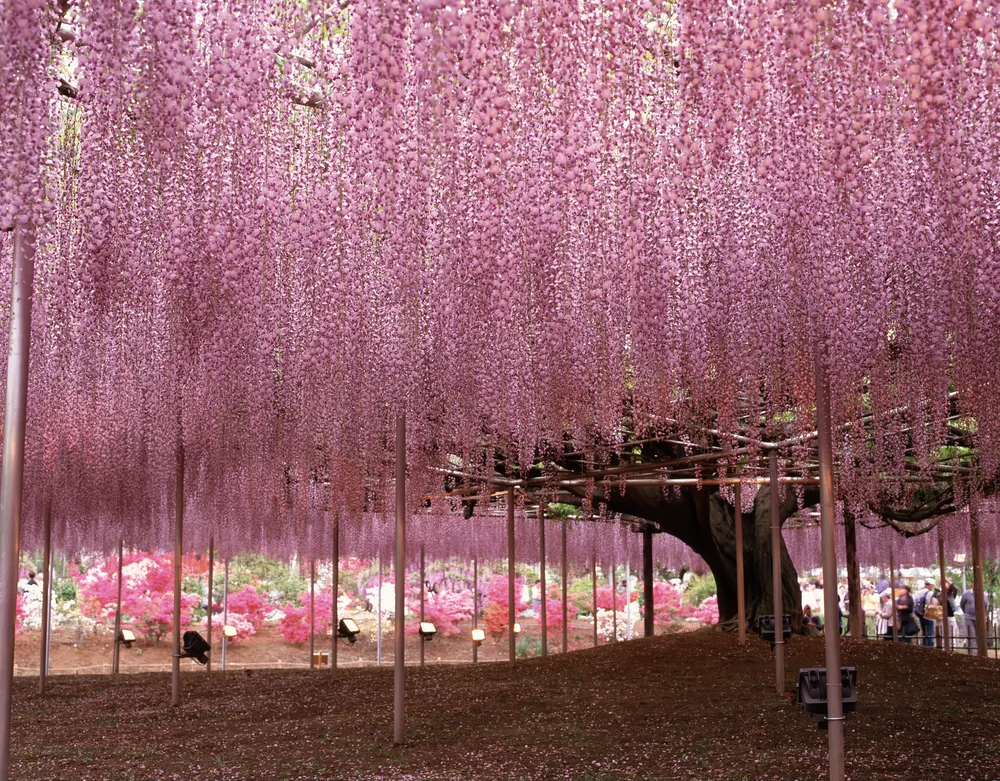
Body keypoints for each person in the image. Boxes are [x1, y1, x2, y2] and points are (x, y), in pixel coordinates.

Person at [914, 579, 938, 648]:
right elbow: (934, 603)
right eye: (932, 585)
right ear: (930, 585)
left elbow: (915, 601)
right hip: (929, 614)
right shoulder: (930, 593)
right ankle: (930, 647)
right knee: (930, 632)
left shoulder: (918, 592)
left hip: (920, 613)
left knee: (923, 631)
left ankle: (923, 646)